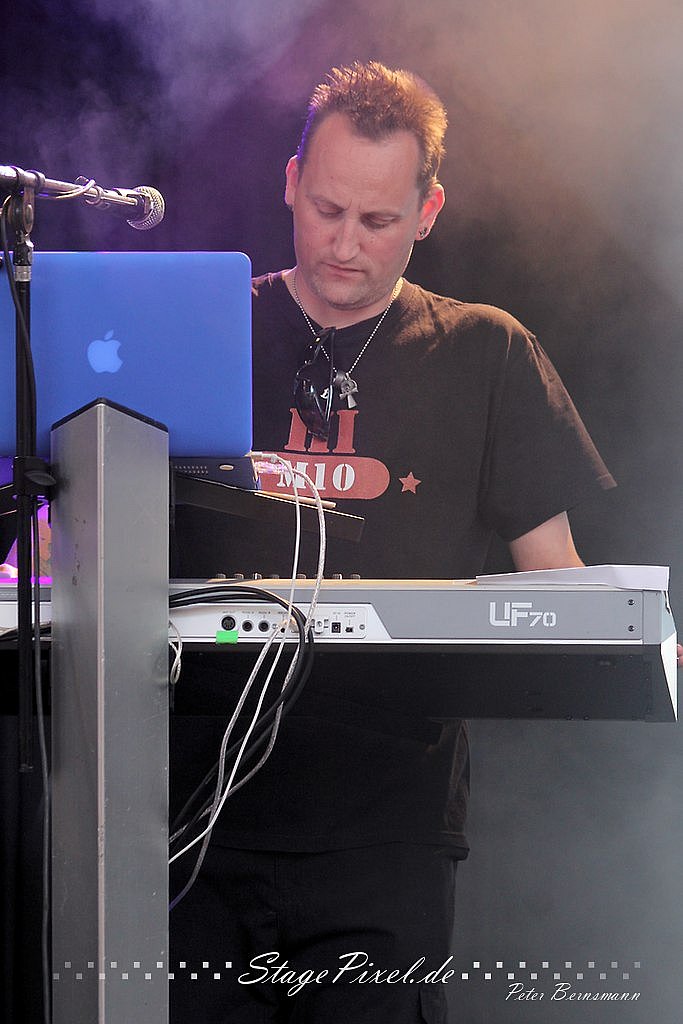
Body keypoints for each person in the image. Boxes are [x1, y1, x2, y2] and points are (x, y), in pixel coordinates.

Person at [170, 61, 615, 1023]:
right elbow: (69, 535)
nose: (344, 244)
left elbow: (553, 571)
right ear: (291, 182)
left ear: (427, 211)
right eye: (326, 210)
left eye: (376, 221)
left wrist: (638, 636)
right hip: (185, 820)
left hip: (386, 828)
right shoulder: (197, 329)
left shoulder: (485, 349)